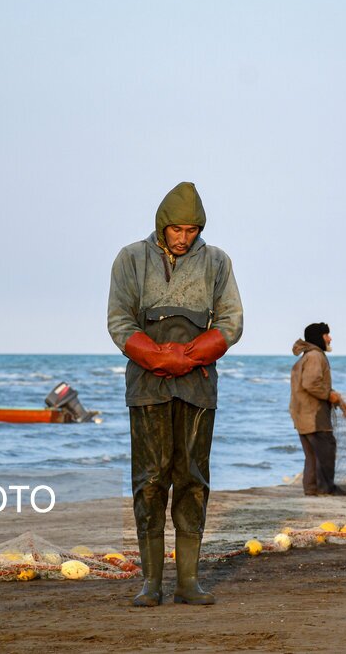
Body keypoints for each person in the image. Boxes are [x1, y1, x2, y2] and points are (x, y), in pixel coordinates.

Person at [107, 181, 243, 607]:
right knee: (149, 481)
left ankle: (188, 581)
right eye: (177, 230)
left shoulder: (217, 262)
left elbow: (231, 322)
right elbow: (119, 322)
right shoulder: (130, 258)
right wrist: (156, 357)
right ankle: (151, 583)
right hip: (147, 387)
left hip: (198, 387)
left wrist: (189, 356)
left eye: (192, 230)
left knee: (193, 480)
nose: (184, 238)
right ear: (162, 225)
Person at [289, 322, 346, 496]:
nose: (330, 338)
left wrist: (339, 402)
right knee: (326, 449)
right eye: (327, 335)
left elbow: (314, 385)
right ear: (320, 337)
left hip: (302, 414)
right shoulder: (315, 356)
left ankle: (311, 488)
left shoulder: (307, 356)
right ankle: (326, 488)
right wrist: (328, 395)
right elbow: (311, 383)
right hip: (314, 414)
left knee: (312, 454)